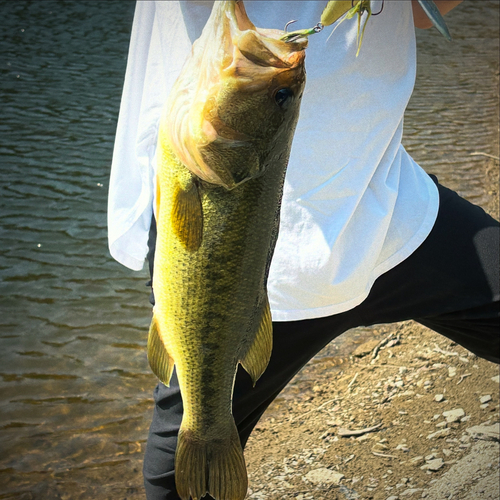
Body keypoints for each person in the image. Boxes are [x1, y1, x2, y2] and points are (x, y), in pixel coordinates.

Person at [108, 1, 499, 498]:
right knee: (189, 452)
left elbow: (425, 12)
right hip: (262, 284)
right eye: (278, 94)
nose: (283, 69)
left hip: (385, 208)